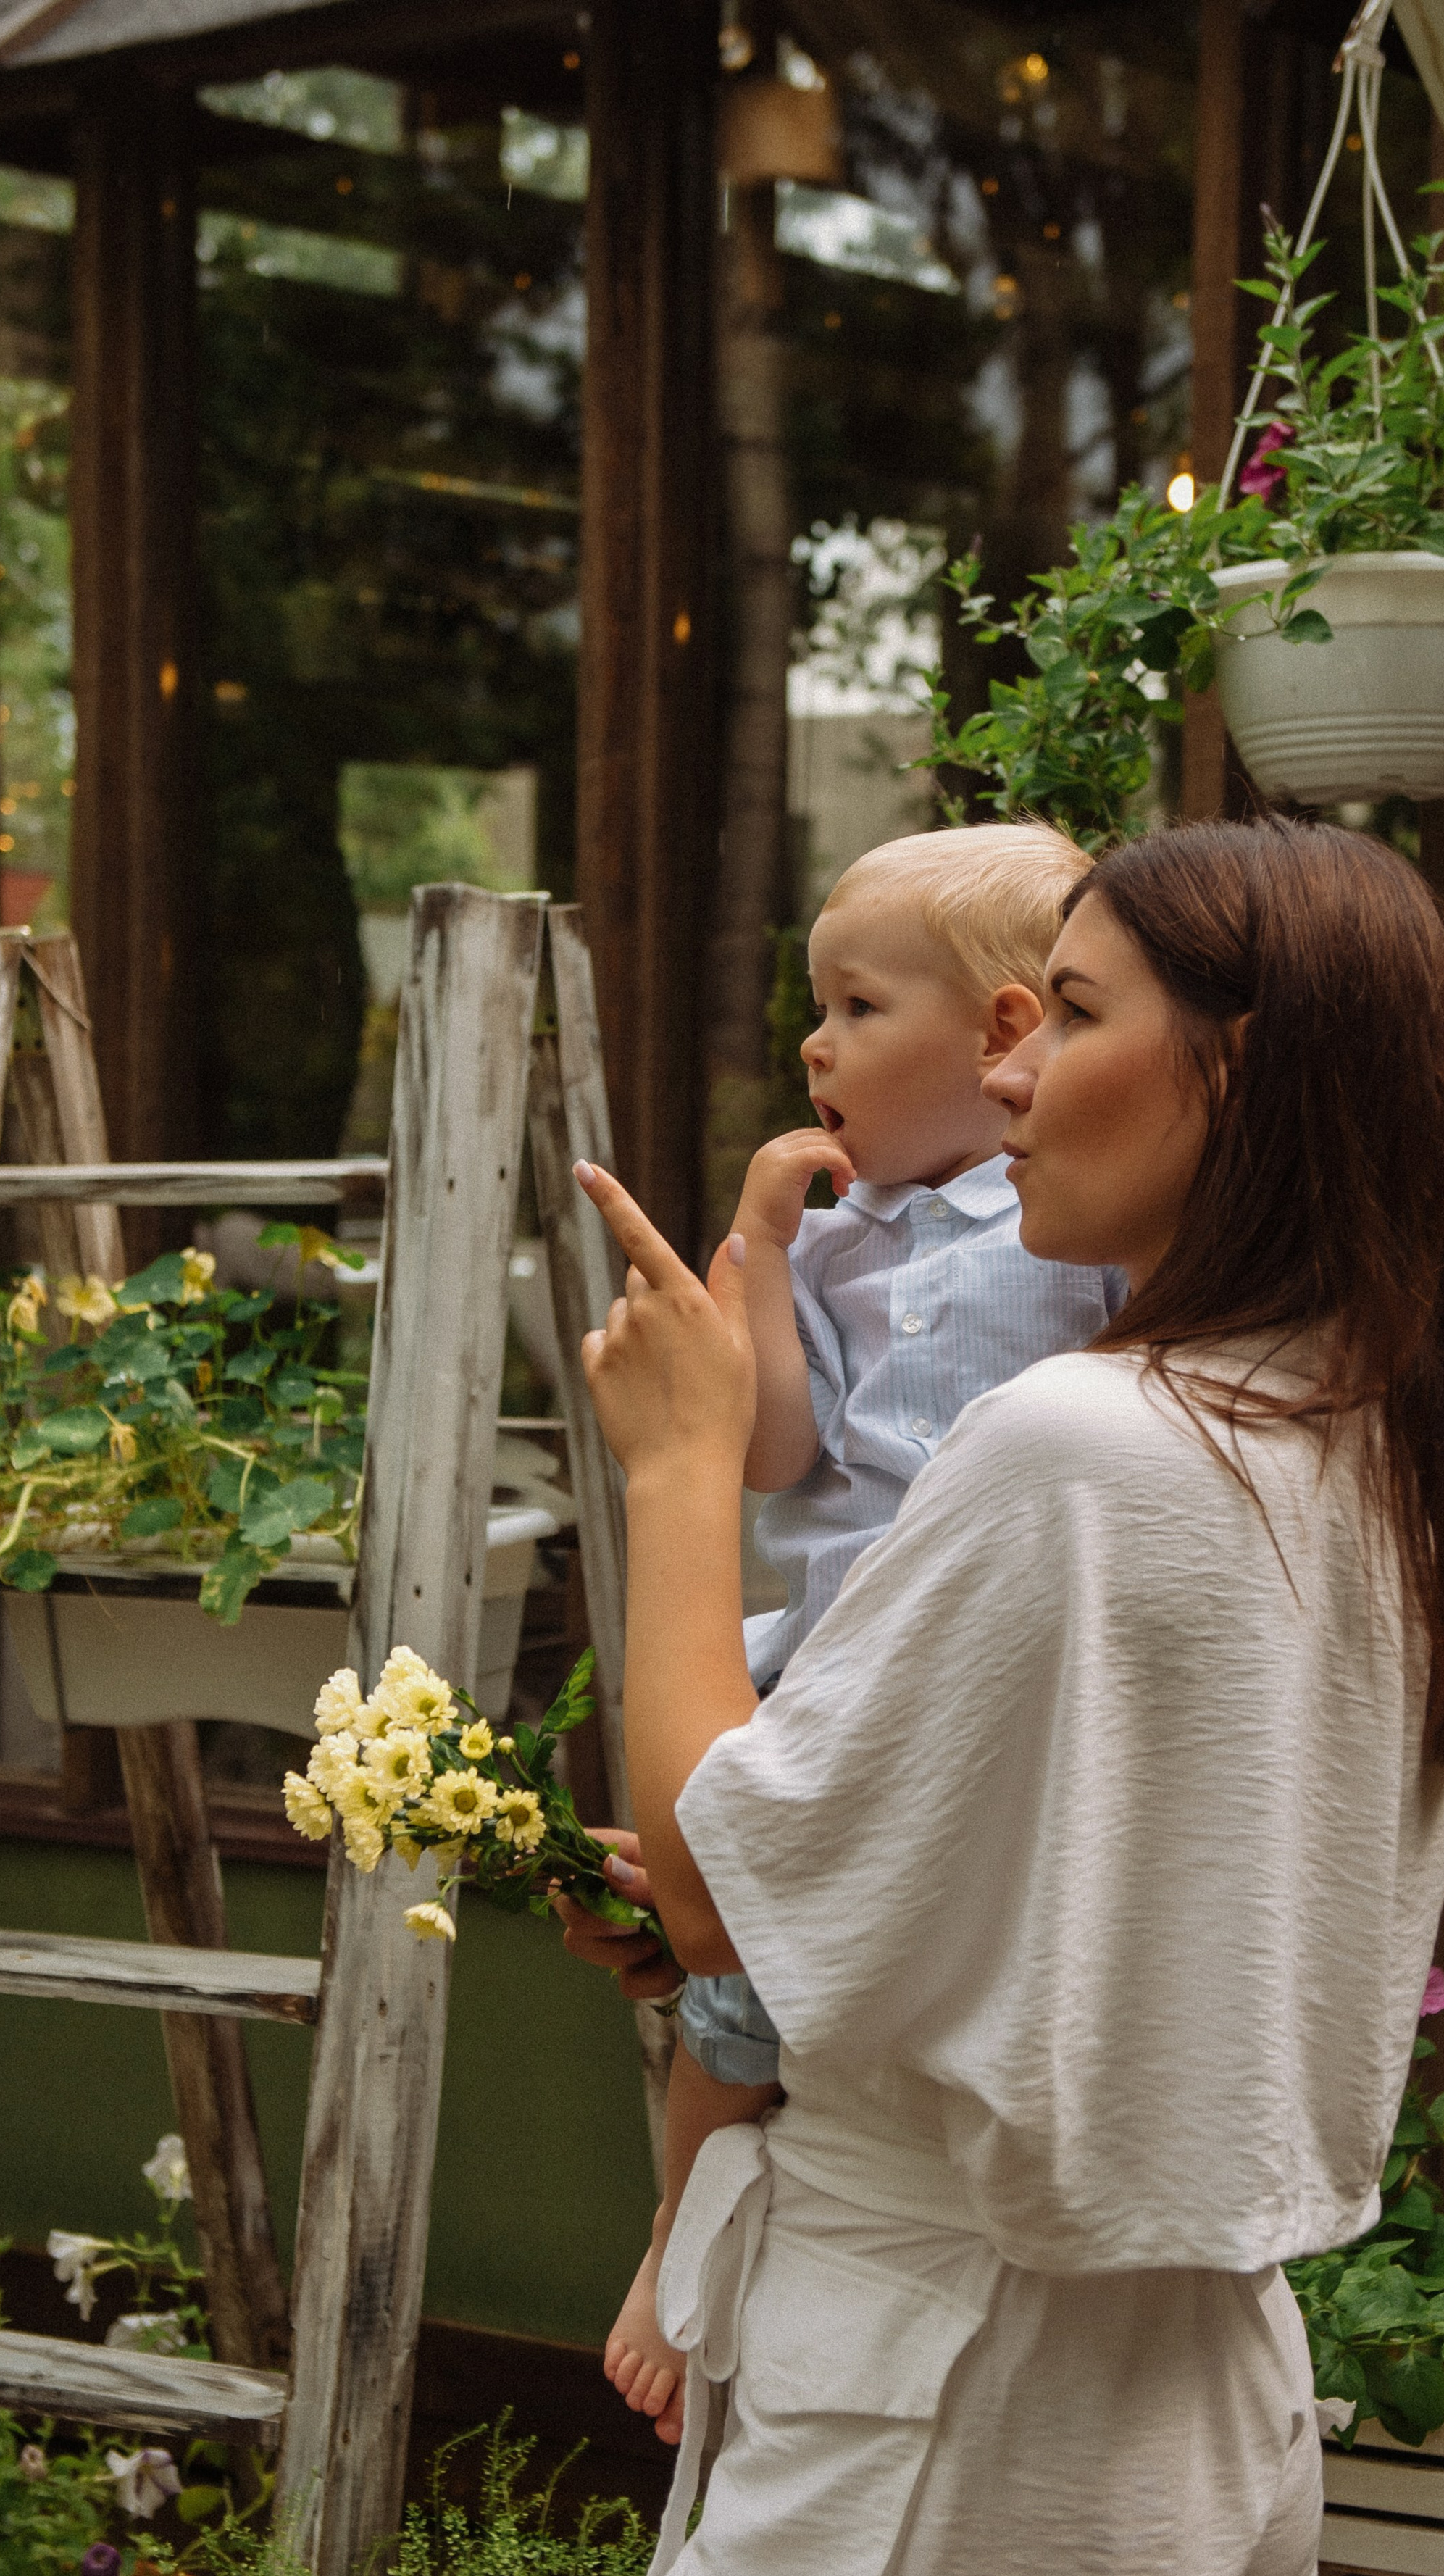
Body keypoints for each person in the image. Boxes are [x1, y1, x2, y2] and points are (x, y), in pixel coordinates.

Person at [563, 816, 1444, 2576]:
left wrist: (673, 1462)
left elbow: (714, 1890)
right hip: (1205, 2398)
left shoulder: (1085, 1447)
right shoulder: (1364, 1441)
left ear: (1233, 1071)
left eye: (1071, 1015)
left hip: (945, 2392)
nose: (1006, 1071)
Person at [604, 822, 1127, 2444]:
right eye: (812, 1011)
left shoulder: (1071, 1230)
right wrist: (760, 1251)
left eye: (852, 1006)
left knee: (766, 1955)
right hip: (828, 1642)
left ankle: (699, 2223)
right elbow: (771, 1449)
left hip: (964, 1665)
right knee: (716, 1972)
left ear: (1001, 1033)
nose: (814, 1047)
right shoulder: (830, 1238)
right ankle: (673, 2241)